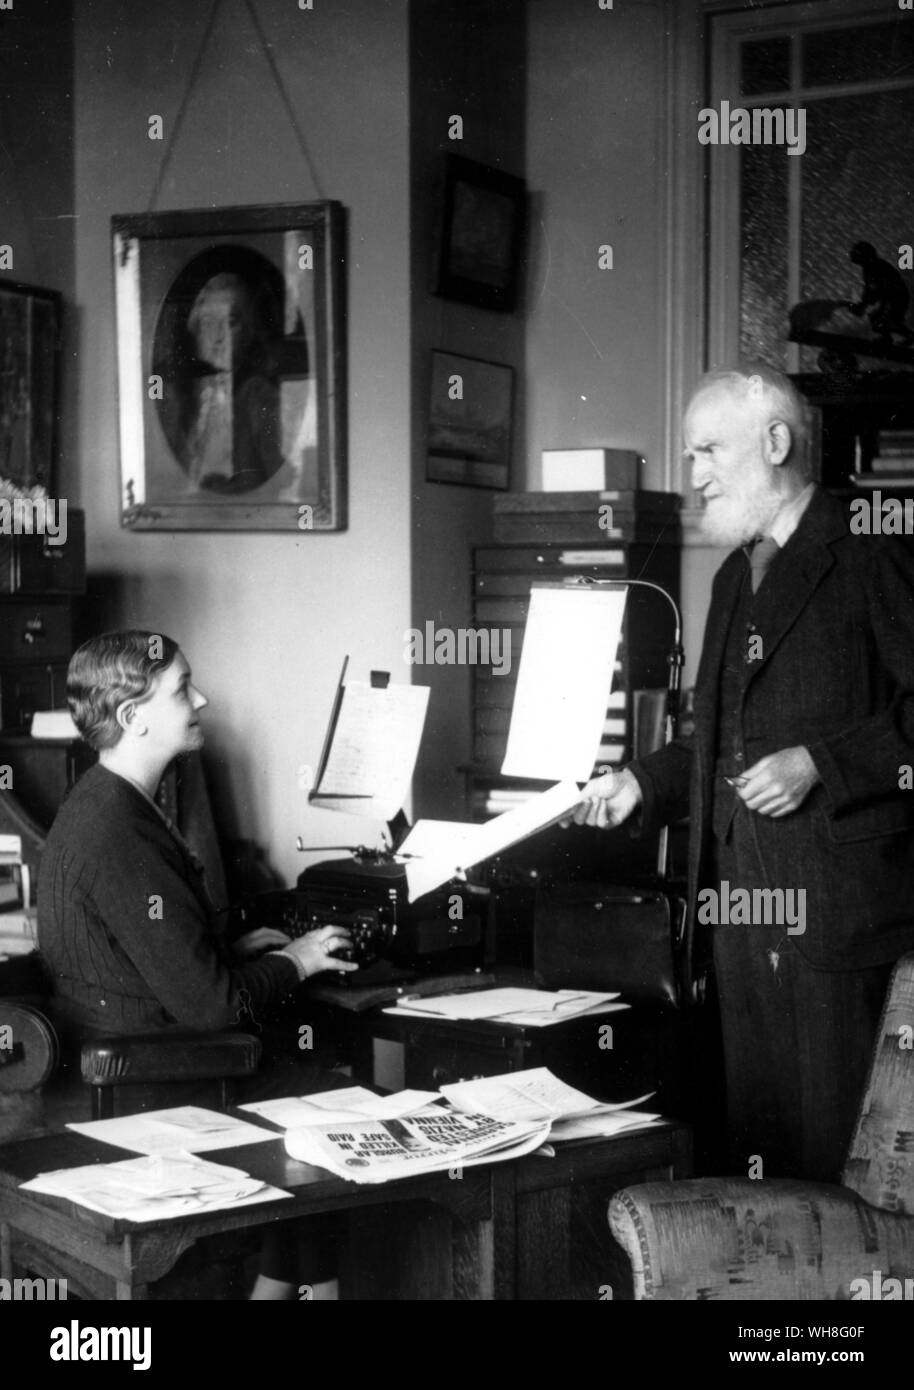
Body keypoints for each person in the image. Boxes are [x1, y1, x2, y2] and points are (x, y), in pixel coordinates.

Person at [572, 363, 914, 1182]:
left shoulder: (873, 544)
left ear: (777, 441)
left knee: (846, 1186)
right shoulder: (733, 575)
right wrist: (642, 785)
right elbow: (716, 740)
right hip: (739, 925)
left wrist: (820, 765)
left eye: (708, 450)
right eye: (690, 456)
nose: (694, 477)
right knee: (761, 1178)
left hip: (838, 932)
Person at [37, 630, 356, 1299]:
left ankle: (277, 1289)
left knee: (312, 1082)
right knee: (333, 1102)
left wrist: (227, 948)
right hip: (150, 1071)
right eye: (183, 689)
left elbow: (144, 943)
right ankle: (307, 1292)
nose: (201, 699)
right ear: (134, 717)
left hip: (130, 1047)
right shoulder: (118, 827)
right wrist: (296, 960)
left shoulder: (109, 799)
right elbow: (211, 1008)